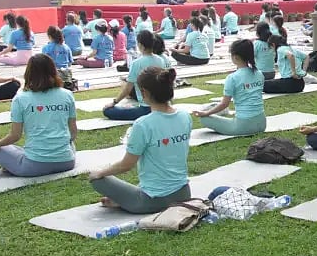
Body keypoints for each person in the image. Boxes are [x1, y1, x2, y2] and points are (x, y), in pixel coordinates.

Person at [88, 67, 191, 213]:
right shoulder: (185, 116)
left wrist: (99, 173)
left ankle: (125, 201)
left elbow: (126, 165)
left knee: (96, 178)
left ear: (144, 92)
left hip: (153, 200)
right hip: (184, 194)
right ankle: (124, 200)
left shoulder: (143, 124)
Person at [0, 54, 77, 177]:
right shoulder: (67, 95)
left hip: (34, 166)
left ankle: (12, 164)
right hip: (66, 162)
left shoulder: (20, 99)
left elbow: (15, 136)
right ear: (54, 71)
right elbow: (73, 133)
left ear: (29, 73)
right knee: (67, 143)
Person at [193, 39, 267, 136]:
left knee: (205, 119)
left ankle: (211, 113)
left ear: (235, 57)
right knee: (217, 111)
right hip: (261, 123)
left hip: (243, 126)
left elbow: (224, 104)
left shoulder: (232, 78)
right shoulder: (259, 74)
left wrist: (206, 113)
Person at [104, 31, 171, 121]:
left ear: (140, 45)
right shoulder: (160, 60)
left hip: (146, 108)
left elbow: (128, 88)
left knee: (108, 111)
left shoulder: (137, 63)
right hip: (161, 105)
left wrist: (114, 102)